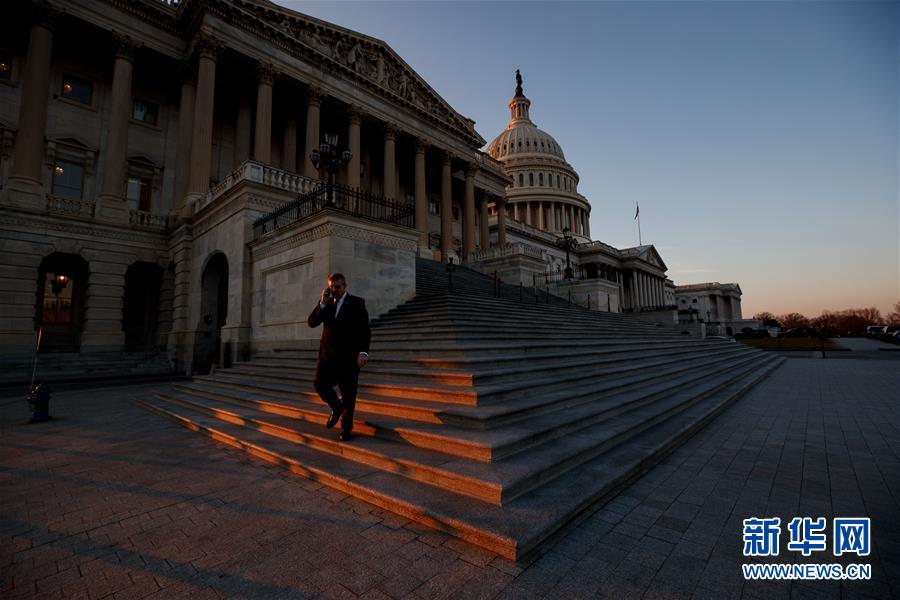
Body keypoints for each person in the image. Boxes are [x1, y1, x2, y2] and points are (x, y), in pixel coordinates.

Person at [307, 273, 370, 441]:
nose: (334, 290)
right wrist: (322, 302)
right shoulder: (326, 304)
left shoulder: (357, 303)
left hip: (349, 357)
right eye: (331, 287)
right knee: (319, 384)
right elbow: (312, 322)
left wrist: (363, 352)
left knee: (349, 393)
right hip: (327, 356)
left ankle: (346, 429)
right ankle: (337, 407)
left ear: (345, 285)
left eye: (337, 287)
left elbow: (364, 330)